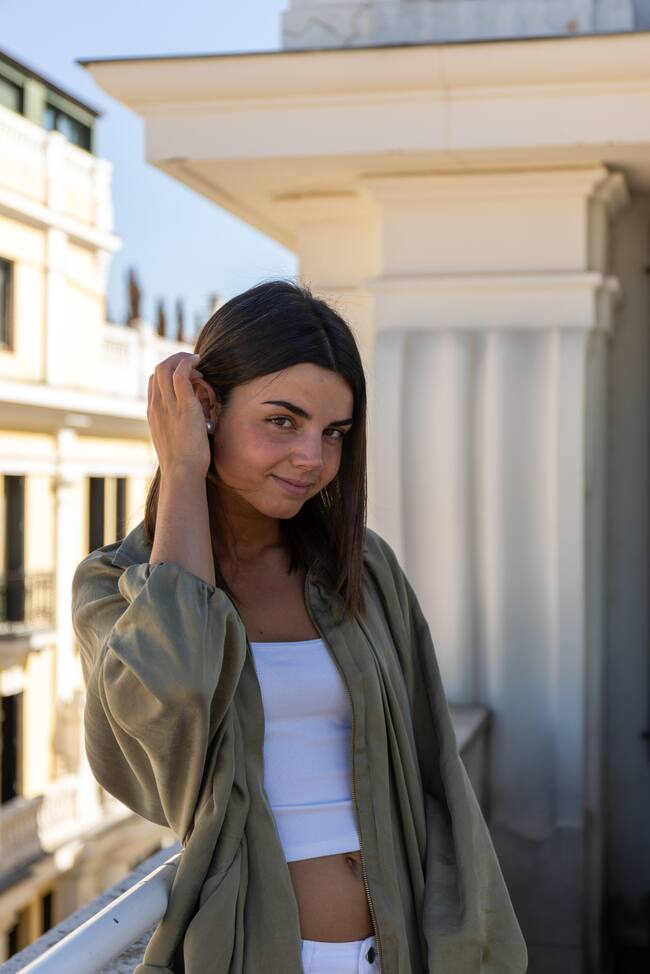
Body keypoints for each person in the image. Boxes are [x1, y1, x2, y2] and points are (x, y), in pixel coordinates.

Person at [71, 279, 528, 974]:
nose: (313, 458)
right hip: (258, 954)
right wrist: (183, 470)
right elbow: (178, 692)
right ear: (205, 411)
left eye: (334, 433)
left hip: (400, 950)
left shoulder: (363, 569)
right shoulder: (114, 587)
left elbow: (438, 777)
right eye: (282, 422)